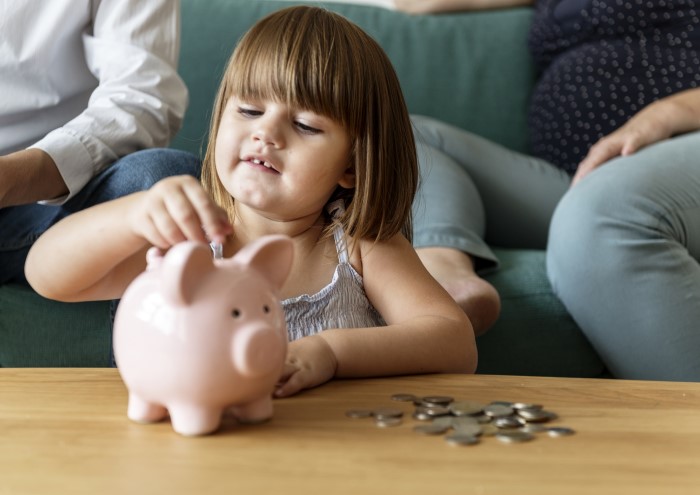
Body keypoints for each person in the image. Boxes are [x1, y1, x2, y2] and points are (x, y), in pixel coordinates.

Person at [25, 6, 477, 397]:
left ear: (353, 166)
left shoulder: (356, 244)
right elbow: (48, 275)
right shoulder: (190, 239)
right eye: (249, 111)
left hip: (335, 451)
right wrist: (133, 215)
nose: (266, 133)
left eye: (305, 125)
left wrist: (331, 352)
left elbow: (454, 342)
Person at [396, 0, 700, 380]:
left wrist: (665, 114)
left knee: (600, 218)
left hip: (679, 144)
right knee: (398, 136)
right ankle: (447, 273)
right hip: (579, 178)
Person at [0, 0, 200, 285]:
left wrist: (13, 177)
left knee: (164, 180)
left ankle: (149, 325)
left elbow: (140, 97)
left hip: (44, 195)